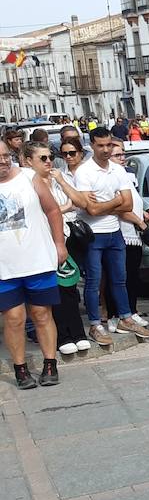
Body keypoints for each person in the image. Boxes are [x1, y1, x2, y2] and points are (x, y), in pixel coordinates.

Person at [67, 127, 149, 346]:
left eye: (109, 145)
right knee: (94, 282)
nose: (105, 149)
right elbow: (91, 210)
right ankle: (95, 324)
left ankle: (125, 317)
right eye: (100, 145)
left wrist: (102, 205)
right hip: (94, 234)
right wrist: (114, 202)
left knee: (119, 279)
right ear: (92, 145)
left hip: (115, 232)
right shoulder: (84, 172)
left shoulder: (117, 170)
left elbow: (129, 204)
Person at [0, 142, 66, 388]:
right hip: (4, 267)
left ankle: (50, 363)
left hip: (37, 260)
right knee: (14, 318)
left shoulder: (30, 177)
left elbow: (52, 211)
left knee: (41, 313)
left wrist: (59, 244)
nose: (4, 161)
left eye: (6, 155)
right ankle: (20, 368)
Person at [38, 141, 88, 353]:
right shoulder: (29, 184)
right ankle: (63, 336)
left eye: (50, 157)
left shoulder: (61, 177)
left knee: (70, 286)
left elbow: (82, 201)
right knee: (55, 288)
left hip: (68, 237)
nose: (49, 161)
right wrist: (66, 207)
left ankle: (78, 333)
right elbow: (43, 213)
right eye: (43, 159)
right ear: (28, 161)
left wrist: (62, 182)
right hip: (45, 240)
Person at [102, 139, 149, 326]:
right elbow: (118, 206)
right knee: (116, 276)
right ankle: (115, 315)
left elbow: (134, 199)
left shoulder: (127, 175)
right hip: (120, 231)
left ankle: (132, 310)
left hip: (134, 233)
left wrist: (142, 213)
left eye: (123, 154)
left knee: (132, 275)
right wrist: (138, 220)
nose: (122, 158)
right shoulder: (109, 177)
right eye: (118, 155)